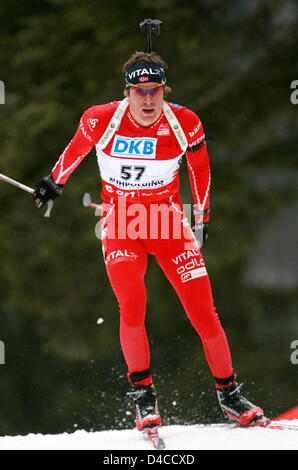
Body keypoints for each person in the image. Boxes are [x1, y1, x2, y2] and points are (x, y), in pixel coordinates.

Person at [34, 51, 269, 431]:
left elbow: (201, 169)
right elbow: (76, 149)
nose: (147, 100)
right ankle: (144, 399)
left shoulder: (185, 121)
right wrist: (53, 183)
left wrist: (202, 218)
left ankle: (230, 397)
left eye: (154, 91)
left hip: (167, 224)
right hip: (122, 223)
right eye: (139, 91)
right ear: (127, 92)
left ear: (164, 90)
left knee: (203, 310)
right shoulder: (101, 118)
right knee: (132, 304)